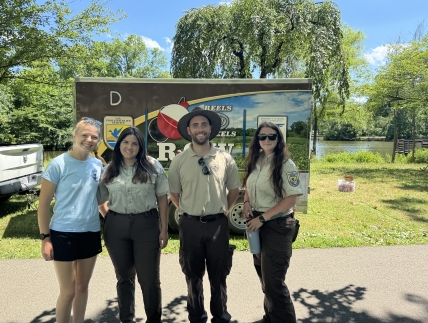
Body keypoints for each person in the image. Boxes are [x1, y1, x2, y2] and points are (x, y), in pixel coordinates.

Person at [169, 107, 241, 323]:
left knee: (219, 276)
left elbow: (234, 190)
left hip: (218, 225)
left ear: (210, 128)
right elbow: (174, 193)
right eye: (195, 125)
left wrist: (224, 211)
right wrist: (188, 209)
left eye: (204, 124)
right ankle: (196, 316)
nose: (200, 128)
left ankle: (220, 316)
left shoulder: (225, 158)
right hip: (189, 225)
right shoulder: (179, 161)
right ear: (189, 130)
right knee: (192, 275)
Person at [97, 126, 169, 323]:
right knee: (124, 278)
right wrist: (110, 218)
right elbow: (99, 199)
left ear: (140, 146)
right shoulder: (109, 169)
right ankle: (126, 319)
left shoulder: (152, 166)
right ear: (119, 144)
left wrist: (163, 228)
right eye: (125, 142)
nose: (129, 147)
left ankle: (153, 320)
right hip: (116, 227)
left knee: (149, 280)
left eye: (134, 143)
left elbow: (163, 198)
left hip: (146, 225)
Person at [38, 117, 104, 323]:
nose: (89, 139)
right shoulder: (58, 164)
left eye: (94, 136)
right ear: (74, 136)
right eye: (85, 135)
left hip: (91, 232)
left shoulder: (98, 165)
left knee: (82, 287)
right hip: (63, 233)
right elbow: (43, 204)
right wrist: (45, 238)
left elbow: (101, 202)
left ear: (98, 140)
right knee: (68, 291)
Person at [242, 122, 303, 323]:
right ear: (257, 140)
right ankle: (270, 317)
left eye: (271, 136)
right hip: (257, 225)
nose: (266, 140)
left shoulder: (287, 165)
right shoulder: (256, 160)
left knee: (274, 282)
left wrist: (262, 218)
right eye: (262, 137)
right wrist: (247, 202)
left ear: (278, 140)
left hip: (277, 226)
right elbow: (249, 186)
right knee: (263, 276)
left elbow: (292, 198)